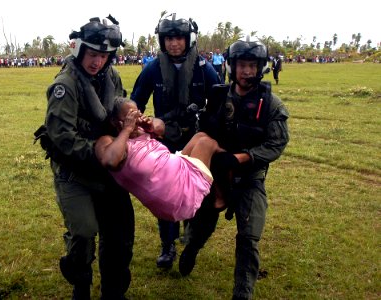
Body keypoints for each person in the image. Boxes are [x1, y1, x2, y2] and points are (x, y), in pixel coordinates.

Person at [179, 40, 290, 300]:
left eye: (252, 66)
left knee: (249, 237)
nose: (247, 71)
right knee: (201, 227)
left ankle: (243, 292)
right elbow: (203, 131)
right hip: (216, 175)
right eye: (242, 65)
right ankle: (191, 249)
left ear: (261, 68)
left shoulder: (271, 104)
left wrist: (242, 158)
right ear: (232, 66)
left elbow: (276, 144)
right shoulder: (218, 96)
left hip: (250, 178)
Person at [36, 16, 134, 300]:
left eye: (103, 55)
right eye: (92, 54)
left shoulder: (110, 75)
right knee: (84, 233)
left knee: (120, 235)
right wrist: (99, 151)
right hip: (74, 170)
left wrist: (127, 115)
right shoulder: (65, 84)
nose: (97, 62)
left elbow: (116, 101)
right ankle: (80, 281)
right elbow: (62, 136)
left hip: (107, 168)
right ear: (79, 50)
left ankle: (113, 292)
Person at [130, 12, 221, 270]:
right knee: (165, 192)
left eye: (178, 37)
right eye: (168, 38)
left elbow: (220, 100)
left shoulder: (205, 69)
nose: (173, 43)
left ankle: (191, 233)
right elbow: (136, 100)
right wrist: (135, 124)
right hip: (164, 139)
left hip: (196, 137)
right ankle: (167, 244)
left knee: (198, 189)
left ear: (188, 39)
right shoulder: (153, 68)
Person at [95, 98, 229, 221]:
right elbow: (110, 161)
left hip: (178, 169)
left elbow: (161, 127)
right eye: (130, 117)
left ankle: (225, 165)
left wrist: (150, 124)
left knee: (200, 135)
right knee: (206, 143)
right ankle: (223, 191)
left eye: (137, 115)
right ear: (114, 121)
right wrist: (127, 129)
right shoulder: (108, 142)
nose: (135, 121)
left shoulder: (141, 129)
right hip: (179, 196)